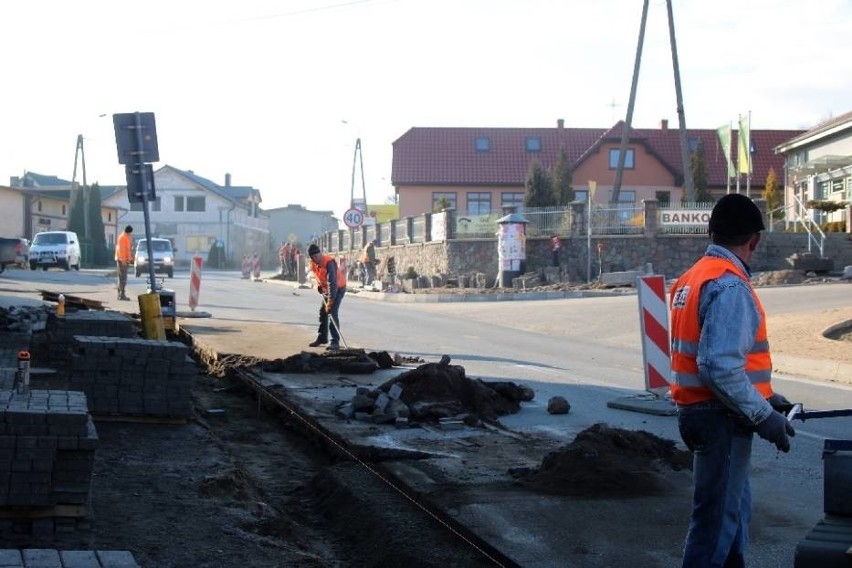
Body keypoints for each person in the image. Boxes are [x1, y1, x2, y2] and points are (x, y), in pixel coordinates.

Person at [670, 194, 795, 568]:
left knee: (734, 510)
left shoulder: (692, 278)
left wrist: (765, 397)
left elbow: (707, 359)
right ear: (754, 241)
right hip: (718, 418)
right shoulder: (730, 286)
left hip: (700, 412)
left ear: (710, 233)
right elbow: (719, 367)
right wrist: (764, 416)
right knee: (715, 524)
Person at [307, 243, 347, 351]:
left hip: (338, 288)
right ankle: (322, 337)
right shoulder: (313, 264)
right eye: (313, 257)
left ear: (320, 253)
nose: (315, 258)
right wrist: (319, 286)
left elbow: (332, 283)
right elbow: (318, 276)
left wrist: (330, 301)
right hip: (326, 289)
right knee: (323, 312)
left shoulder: (329, 262)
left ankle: (335, 341)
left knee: (332, 313)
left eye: (316, 255)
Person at [114, 225, 133, 301]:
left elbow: (127, 250)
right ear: (128, 232)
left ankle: (121, 294)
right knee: (123, 278)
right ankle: (122, 295)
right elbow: (121, 250)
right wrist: (124, 260)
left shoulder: (125, 237)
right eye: (130, 233)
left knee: (121, 278)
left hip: (123, 260)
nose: (130, 234)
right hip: (122, 261)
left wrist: (130, 259)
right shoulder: (123, 238)